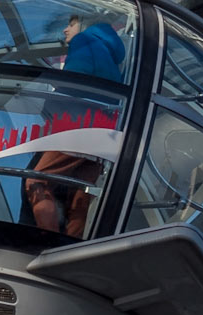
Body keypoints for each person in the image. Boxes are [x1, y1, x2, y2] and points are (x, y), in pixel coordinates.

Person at [23, 14, 126, 238]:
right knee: (81, 191)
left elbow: (74, 81)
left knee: (36, 181)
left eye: (71, 24)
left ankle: (49, 241)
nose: (65, 31)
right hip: (106, 129)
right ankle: (72, 242)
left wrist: (49, 97)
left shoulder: (85, 40)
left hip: (79, 125)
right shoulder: (110, 53)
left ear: (85, 24)